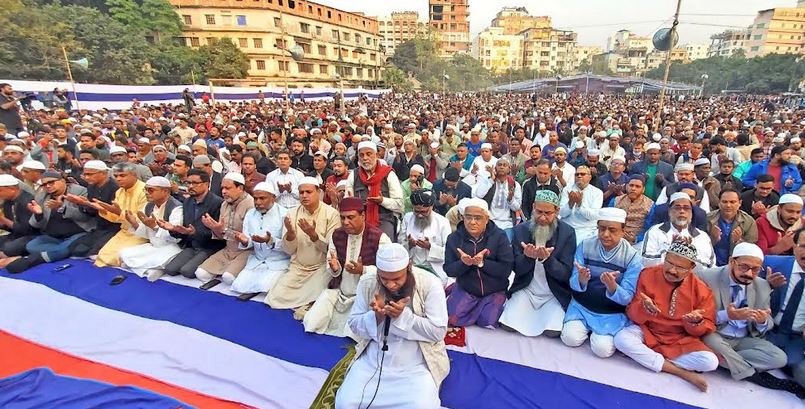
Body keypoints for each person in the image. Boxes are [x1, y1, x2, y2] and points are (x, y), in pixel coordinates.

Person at [334, 243, 448, 409]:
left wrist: (403, 317)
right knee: (345, 404)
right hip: (373, 362)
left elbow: (438, 332)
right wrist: (376, 316)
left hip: (415, 365)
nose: (390, 285)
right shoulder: (367, 282)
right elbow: (354, 324)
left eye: (396, 279)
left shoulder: (430, 284)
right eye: (384, 279)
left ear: (409, 267)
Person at [614, 238, 719, 392]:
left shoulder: (702, 290)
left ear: (692, 267)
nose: (672, 270)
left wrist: (695, 322)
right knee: (621, 339)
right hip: (647, 331)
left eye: (680, 267)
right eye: (669, 263)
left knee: (710, 362)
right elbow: (632, 314)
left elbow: (707, 326)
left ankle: (649, 357)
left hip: (678, 339)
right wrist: (644, 309)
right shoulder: (648, 274)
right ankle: (682, 372)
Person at [700, 243, 801, 395]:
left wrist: (762, 322)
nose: (748, 273)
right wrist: (727, 315)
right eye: (743, 267)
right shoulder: (707, 277)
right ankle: (755, 376)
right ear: (731, 261)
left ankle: (724, 361)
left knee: (779, 358)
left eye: (755, 269)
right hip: (715, 333)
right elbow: (697, 314)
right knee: (713, 343)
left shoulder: (762, 285)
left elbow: (768, 321)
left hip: (742, 339)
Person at [561, 207, 642, 358]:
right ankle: (588, 329)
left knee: (602, 350)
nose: (605, 234)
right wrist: (581, 280)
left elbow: (628, 297)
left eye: (612, 230)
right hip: (581, 307)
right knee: (570, 338)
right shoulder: (585, 246)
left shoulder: (632, 257)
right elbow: (573, 282)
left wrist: (612, 287)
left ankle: (598, 333)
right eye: (602, 228)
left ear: (623, 231)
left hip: (610, 313)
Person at [304, 197, 390, 337]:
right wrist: (335, 268)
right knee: (312, 322)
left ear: (362, 216)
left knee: (353, 333)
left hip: (366, 295)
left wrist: (363, 270)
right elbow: (331, 264)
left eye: (350, 217)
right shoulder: (337, 235)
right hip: (340, 291)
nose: (345, 222)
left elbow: (388, 271)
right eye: (342, 218)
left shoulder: (380, 238)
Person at [502, 187, 576, 337]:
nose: (542, 218)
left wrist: (547, 260)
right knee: (507, 326)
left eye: (548, 213)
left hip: (553, 293)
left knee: (552, 332)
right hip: (527, 289)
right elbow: (517, 269)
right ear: (533, 208)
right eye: (539, 212)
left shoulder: (567, 233)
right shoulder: (520, 230)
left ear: (556, 211)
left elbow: (566, 274)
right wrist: (527, 257)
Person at [266, 177, 341, 319]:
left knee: (318, 291)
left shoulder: (332, 214)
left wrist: (314, 236)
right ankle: (306, 302)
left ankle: (308, 302)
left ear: (318, 193)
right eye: (301, 192)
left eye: (308, 192)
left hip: (321, 268)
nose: (304, 195)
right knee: (274, 297)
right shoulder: (292, 214)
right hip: (298, 267)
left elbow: (331, 250)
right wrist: (291, 235)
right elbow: (288, 250)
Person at [4, 171, 94, 273]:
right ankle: (58, 253)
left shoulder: (80, 192)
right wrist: (38, 214)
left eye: (51, 182)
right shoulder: (42, 196)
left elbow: (85, 217)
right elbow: (34, 224)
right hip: (53, 236)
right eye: (44, 184)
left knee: (67, 247)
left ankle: (32, 259)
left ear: (63, 181)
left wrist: (62, 208)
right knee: (31, 246)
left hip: (78, 232)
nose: (48, 186)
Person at [444, 198, 514, 328]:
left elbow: (506, 270)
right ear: (462, 218)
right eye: (468, 217)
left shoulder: (499, 236)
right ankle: (457, 292)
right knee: (452, 320)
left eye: (478, 218)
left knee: (487, 322)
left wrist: (482, 263)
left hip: (494, 289)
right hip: (467, 288)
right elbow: (448, 269)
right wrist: (464, 263)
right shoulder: (454, 238)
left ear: (486, 219)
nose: (472, 222)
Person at [160, 169, 225, 279]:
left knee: (187, 272)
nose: (190, 186)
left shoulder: (218, 203)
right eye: (188, 183)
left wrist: (195, 232)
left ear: (206, 184)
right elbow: (186, 230)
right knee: (170, 269)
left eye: (194, 183)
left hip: (209, 247)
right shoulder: (188, 202)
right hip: (192, 245)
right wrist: (174, 229)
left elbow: (219, 235)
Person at [194, 172, 255, 289]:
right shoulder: (224, 205)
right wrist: (215, 228)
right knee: (201, 273)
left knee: (228, 278)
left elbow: (248, 238)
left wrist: (222, 229)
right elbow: (221, 236)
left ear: (240, 188)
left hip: (246, 251)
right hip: (228, 249)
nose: (223, 192)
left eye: (228, 188)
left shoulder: (251, 205)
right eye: (222, 188)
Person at [230, 181, 290, 299]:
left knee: (267, 288)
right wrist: (244, 241)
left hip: (278, 261)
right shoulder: (251, 214)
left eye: (262, 198)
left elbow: (289, 246)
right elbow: (248, 239)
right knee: (238, 286)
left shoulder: (284, 214)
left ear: (273, 198)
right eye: (255, 199)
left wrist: (270, 241)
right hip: (257, 261)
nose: (258, 202)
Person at [764, 227, 805, 392]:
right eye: (803, 246)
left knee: (798, 368)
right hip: (768, 329)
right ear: (793, 246)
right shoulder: (771, 264)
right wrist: (766, 286)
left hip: (797, 338)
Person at [119, 176, 184, 281]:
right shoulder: (148, 206)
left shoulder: (176, 208)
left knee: (162, 259)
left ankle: (148, 268)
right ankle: (150, 269)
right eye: (145, 189)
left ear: (165, 191)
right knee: (123, 253)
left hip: (172, 247)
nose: (147, 192)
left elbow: (175, 237)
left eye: (151, 190)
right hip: (154, 246)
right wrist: (134, 223)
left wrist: (154, 227)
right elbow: (146, 232)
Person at [93, 162, 148, 267]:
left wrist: (119, 212)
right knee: (102, 256)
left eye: (122, 175)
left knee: (114, 259)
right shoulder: (119, 192)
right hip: (124, 231)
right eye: (116, 176)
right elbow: (116, 219)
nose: (118, 179)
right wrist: (104, 210)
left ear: (134, 175)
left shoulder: (145, 191)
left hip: (141, 232)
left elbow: (142, 220)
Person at [345, 141, 403, 239]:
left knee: (384, 245)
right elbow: (348, 200)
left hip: (384, 218)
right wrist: (350, 202)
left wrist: (382, 201)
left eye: (369, 154)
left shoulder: (388, 174)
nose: (365, 158)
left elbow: (400, 204)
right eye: (361, 155)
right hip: (359, 220)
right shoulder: (354, 175)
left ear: (376, 155)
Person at [643, 192, 714, 269]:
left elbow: (709, 266)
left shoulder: (702, 236)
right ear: (670, 211)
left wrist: (688, 253)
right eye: (677, 208)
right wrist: (670, 250)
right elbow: (645, 260)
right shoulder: (655, 231)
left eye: (686, 208)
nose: (682, 211)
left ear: (691, 213)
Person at [398, 189, 452, 284]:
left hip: (434, 268)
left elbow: (449, 252)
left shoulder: (443, 222)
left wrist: (430, 247)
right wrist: (409, 245)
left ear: (431, 207)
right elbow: (400, 247)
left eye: (423, 212)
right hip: (411, 267)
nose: (419, 215)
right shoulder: (407, 218)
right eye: (416, 211)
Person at [473, 158, 522, 240]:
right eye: (499, 165)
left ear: (509, 169)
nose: (502, 167)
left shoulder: (515, 185)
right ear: (495, 168)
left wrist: (510, 199)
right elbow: (479, 195)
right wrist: (491, 180)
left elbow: (516, 207)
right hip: (490, 222)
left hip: (507, 223)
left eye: (504, 165)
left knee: (506, 246)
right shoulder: (489, 181)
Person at [706, 189, 758, 267]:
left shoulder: (748, 221)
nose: (728, 205)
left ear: (739, 203)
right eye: (724, 202)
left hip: (736, 266)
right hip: (711, 263)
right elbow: (700, 246)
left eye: (732, 202)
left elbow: (751, 250)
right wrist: (713, 238)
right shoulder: (708, 219)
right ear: (719, 203)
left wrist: (738, 241)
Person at [559, 165, 603, 244]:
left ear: (589, 177)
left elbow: (593, 216)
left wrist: (580, 205)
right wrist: (570, 203)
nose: (579, 176)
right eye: (577, 174)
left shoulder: (597, 192)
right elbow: (561, 213)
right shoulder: (567, 189)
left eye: (582, 174)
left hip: (587, 229)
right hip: (568, 227)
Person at [0, 174, 37, 261]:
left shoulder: (27, 201)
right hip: (16, 235)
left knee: (8, 249)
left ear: (12, 188)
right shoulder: (7, 202)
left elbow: (26, 230)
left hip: (32, 235)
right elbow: (11, 227)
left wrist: (2, 219)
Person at [614, 175, 653, 245]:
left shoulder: (650, 205)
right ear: (626, 186)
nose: (633, 189)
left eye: (637, 186)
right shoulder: (616, 200)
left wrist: (636, 238)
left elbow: (650, 228)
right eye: (631, 185)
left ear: (643, 189)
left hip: (638, 242)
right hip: (615, 237)